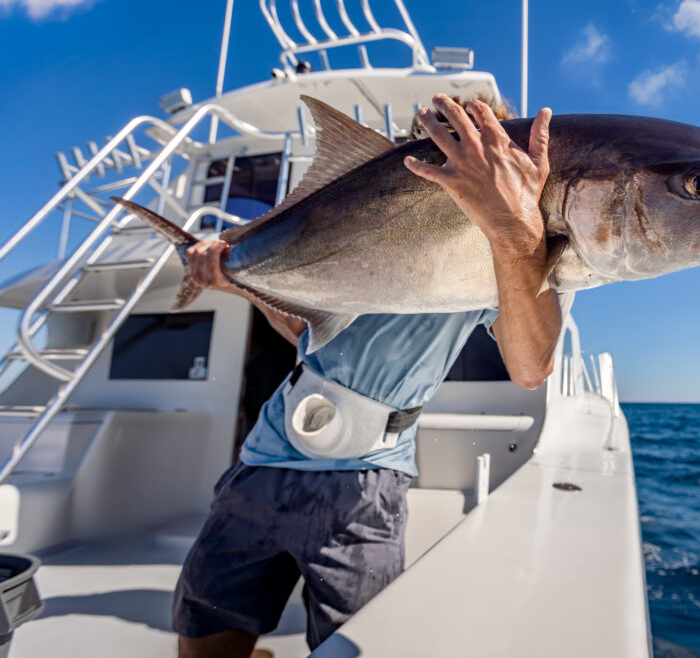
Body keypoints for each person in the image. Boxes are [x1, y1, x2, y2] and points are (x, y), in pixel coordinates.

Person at [172, 95, 567, 657]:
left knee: (348, 648)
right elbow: (305, 334)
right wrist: (235, 278)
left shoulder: (526, 245)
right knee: (202, 646)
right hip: (261, 460)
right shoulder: (364, 222)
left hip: (366, 480)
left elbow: (531, 367)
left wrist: (511, 227)